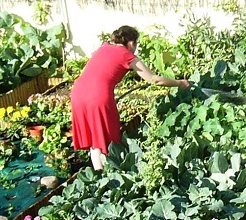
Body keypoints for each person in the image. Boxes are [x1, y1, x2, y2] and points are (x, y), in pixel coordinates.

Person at [70, 25, 190, 170]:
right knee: (107, 141)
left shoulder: (103, 47)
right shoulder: (127, 56)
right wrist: (179, 83)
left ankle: (98, 176)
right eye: (136, 44)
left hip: (77, 93)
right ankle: (107, 179)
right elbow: (154, 79)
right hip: (98, 97)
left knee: (96, 140)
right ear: (132, 43)